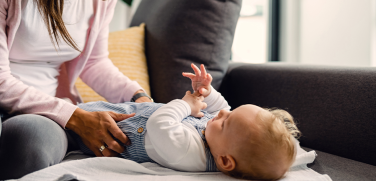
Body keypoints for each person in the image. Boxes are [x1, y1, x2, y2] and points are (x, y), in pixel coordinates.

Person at [0, 0, 151, 180]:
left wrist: (139, 97)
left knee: (36, 142)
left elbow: (94, 62)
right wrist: (76, 117)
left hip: (43, 111)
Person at [72, 64, 301, 180]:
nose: (221, 115)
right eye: (230, 114)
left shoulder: (189, 152)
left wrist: (186, 104)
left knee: (73, 115)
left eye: (225, 122)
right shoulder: (222, 139)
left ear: (225, 161)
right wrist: (206, 91)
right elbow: (222, 107)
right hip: (131, 109)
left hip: (103, 131)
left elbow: (159, 125)